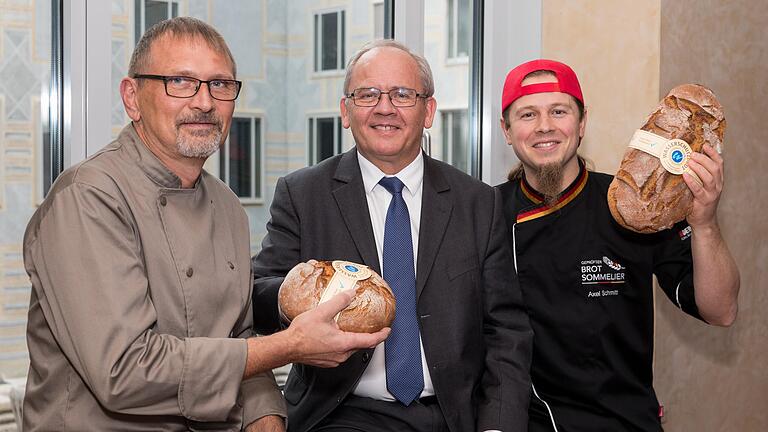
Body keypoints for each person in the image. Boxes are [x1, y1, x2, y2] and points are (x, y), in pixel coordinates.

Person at [22, 17, 387, 431]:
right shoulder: (88, 197)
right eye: (180, 81)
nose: (204, 102)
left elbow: (239, 333)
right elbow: (123, 372)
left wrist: (265, 408)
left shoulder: (227, 206)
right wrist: (288, 346)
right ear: (132, 97)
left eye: (220, 85)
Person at [251, 39, 533, 432]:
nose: (385, 108)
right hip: (342, 412)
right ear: (345, 111)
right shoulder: (303, 194)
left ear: (428, 110)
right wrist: (293, 296)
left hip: (453, 416)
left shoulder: (477, 203)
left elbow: (506, 331)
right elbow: (258, 294)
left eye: (402, 94)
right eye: (367, 94)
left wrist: (498, 425)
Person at [496, 59, 740, 431]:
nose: (544, 126)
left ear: (581, 124)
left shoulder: (633, 205)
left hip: (625, 422)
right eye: (528, 114)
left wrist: (704, 223)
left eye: (558, 111)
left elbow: (720, 310)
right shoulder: (484, 214)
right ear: (507, 131)